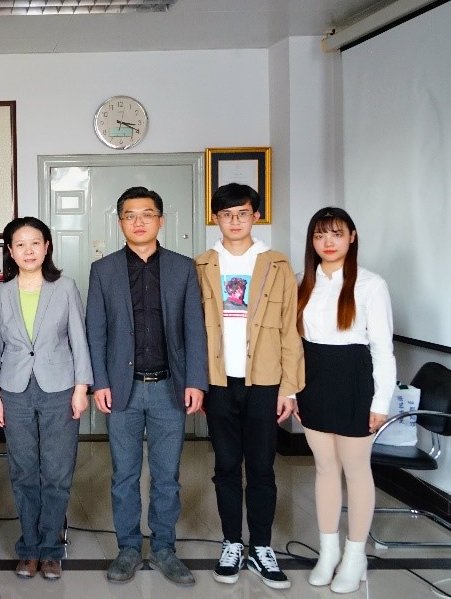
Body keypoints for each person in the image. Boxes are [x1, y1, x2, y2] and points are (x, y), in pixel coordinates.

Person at [87, 186, 207, 587]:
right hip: (122, 388)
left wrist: (196, 381)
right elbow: (95, 331)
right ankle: (127, 548)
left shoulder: (183, 268)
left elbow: (194, 329)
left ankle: (164, 548)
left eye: (147, 214)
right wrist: (99, 382)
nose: (138, 222)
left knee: (167, 475)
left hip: (169, 388)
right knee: (123, 474)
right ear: (120, 222)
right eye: (130, 215)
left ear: (161, 220)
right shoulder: (103, 270)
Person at [195, 183, 304, 588]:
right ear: (216, 219)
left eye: (242, 213)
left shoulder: (276, 265)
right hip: (218, 382)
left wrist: (289, 388)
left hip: (265, 382)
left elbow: (291, 330)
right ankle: (231, 542)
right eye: (226, 215)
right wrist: (197, 384)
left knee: (261, 467)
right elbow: (191, 331)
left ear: (256, 215)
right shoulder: (201, 265)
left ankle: (260, 547)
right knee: (226, 465)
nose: (235, 221)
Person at [295, 207, 394, 594]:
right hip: (313, 381)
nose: (329, 242)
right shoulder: (302, 282)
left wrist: (381, 402)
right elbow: (294, 344)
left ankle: (355, 557)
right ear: (312, 241)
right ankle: (328, 552)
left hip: (354, 382)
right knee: (324, 468)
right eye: (320, 235)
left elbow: (382, 349)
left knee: (355, 469)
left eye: (337, 234)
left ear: (352, 237)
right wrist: (292, 391)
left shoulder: (371, 284)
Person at [0, 217, 91, 581]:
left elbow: (79, 339)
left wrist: (81, 388)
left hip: (60, 389)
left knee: (58, 472)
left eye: (35, 243)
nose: (28, 251)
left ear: (47, 247)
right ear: (10, 251)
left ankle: (52, 550)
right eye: (20, 244)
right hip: (13, 391)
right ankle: (29, 548)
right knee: (23, 471)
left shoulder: (65, 287)